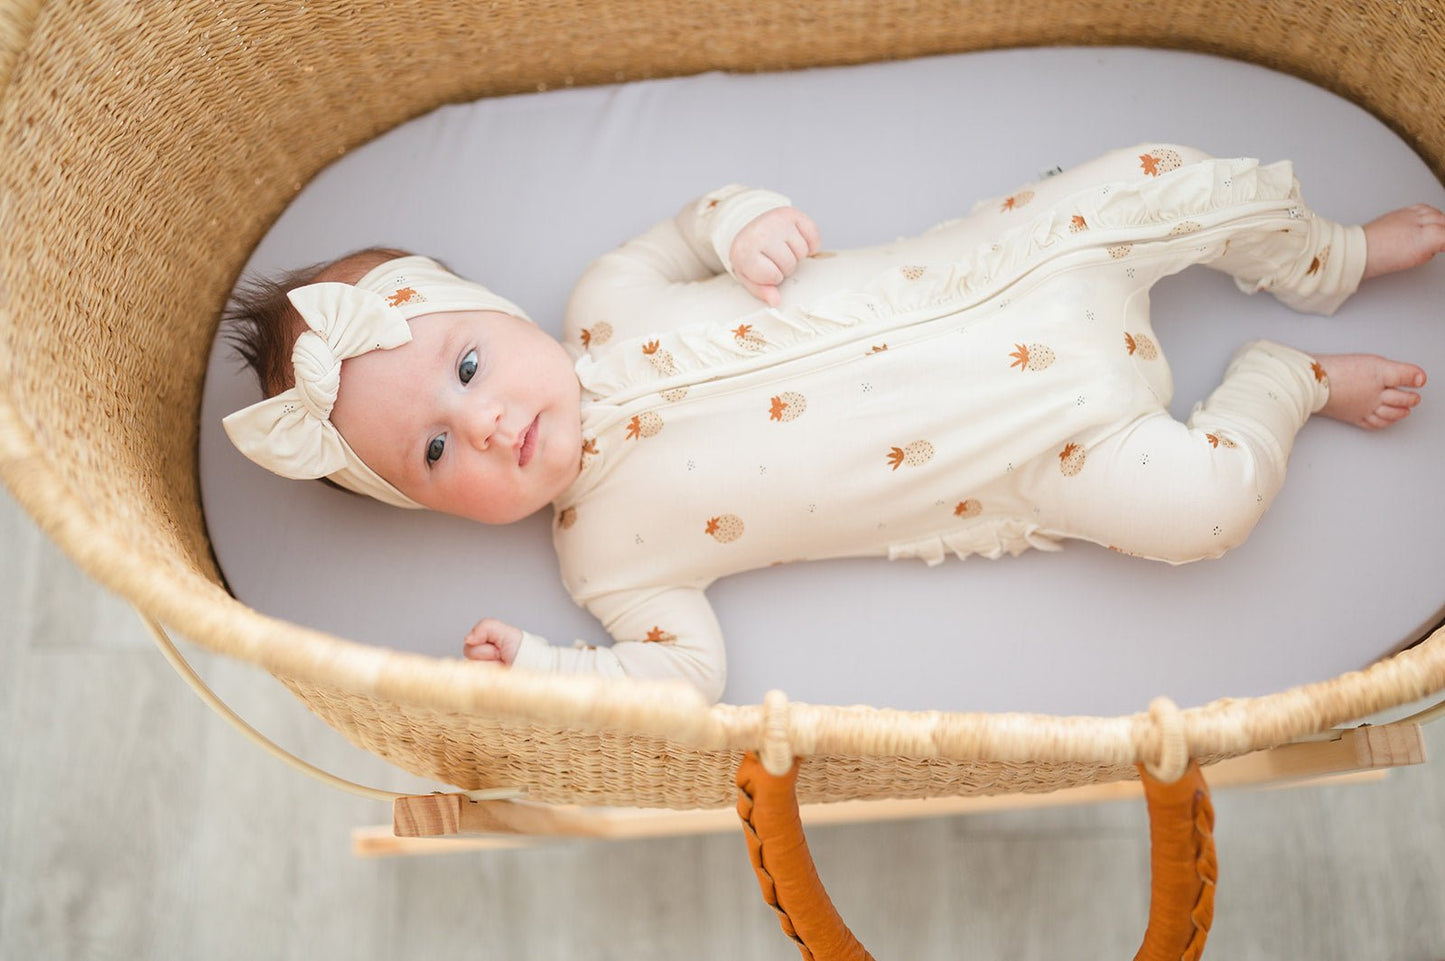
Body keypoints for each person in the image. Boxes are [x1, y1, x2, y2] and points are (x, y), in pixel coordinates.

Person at [222, 144, 1444, 703]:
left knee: (1154, 179)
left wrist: (744, 222)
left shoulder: (607, 296)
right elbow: (683, 679)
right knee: (1201, 513)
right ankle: (1283, 380)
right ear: (426, 509)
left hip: (1021, 272)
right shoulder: (609, 564)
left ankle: (1321, 256)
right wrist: (546, 670)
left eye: (467, 364)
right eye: (435, 451)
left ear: (497, 309)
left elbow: (695, 221)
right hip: (1044, 459)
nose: (485, 422)